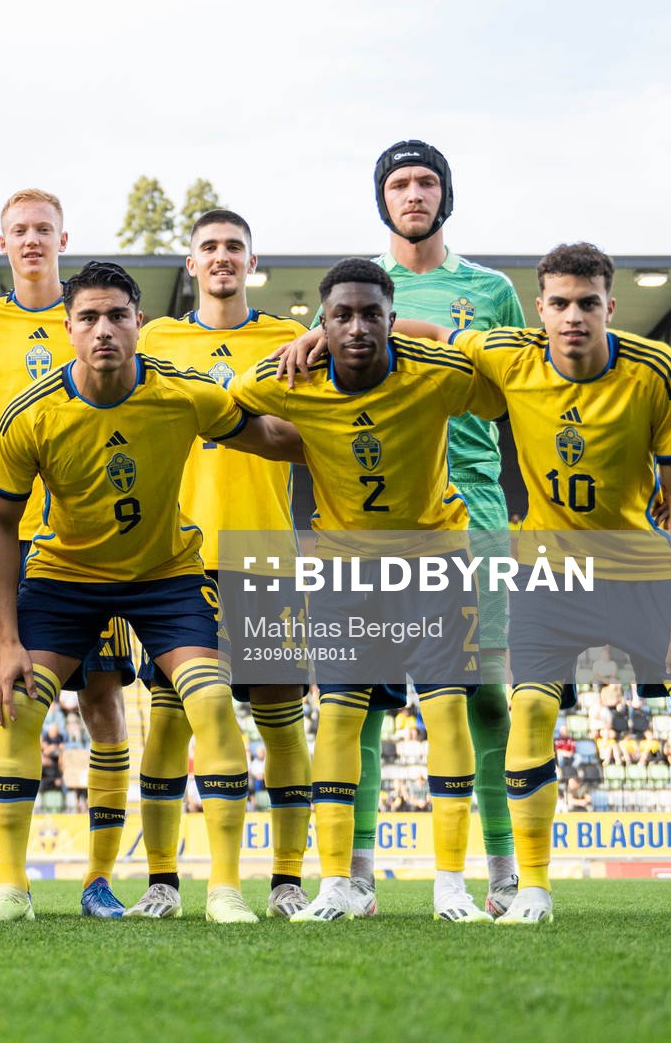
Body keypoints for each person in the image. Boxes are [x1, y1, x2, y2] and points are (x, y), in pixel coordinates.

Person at [403, 241, 671, 925]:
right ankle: (532, 891)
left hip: (640, 568)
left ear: (609, 308)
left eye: (587, 303)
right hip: (547, 572)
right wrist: (317, 333)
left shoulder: (658, 369)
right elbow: (428, 330)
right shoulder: (509, 353)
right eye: (560, 304)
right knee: (530, 712)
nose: (573, 317)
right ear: (540, 309)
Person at [0, 262, 303, 923]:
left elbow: (270, 439)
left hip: (165, 578)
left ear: (138, 324)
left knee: (210, 703)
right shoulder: (30, 414)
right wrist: (6, 641)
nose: (103, 330)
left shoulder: (183, 393)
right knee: (17, 708)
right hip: (65, 579)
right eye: (88, 317)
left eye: (117, 315)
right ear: (67, 329)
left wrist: (347, 435)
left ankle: (226, 891)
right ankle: (10, 889)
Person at [273, 139, 521, 917]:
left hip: (471, 506)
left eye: (427, 182)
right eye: (399, 183)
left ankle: (504, 869)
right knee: (361, 701)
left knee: (483, 695)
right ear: (381, 199)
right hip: (372, 521)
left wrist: (396, 325)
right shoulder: (342, 301)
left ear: (447, 195)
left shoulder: (489, 289)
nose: (413, 194)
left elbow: (518, 378)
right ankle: (358, 873)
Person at [234, 258, 499, 922]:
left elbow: (486, 378)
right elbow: (233, 404)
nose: (356, 327)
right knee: (343, 720)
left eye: (371, 314)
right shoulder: (293, 376)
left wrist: (414, 328)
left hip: (435, 562)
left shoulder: (432, 374)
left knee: (446, 716)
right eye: (340, 316)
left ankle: (451, 888)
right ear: (320, 323)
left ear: (390, 318)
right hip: (345, 571)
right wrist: (313, 445)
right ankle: (338, 886)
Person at [0, 189, 142, 918]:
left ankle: (98, 878)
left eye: (43, 229)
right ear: (0, 241)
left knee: (103, 704)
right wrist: (17, 449)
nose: (32, 240)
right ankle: (12, 883)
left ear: (64, 237)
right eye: (19, 231)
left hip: (92, 539)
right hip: (6, 532)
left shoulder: (100, 317)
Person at [134, 208, 313, 919]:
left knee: (280, 720)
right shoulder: (155, 339)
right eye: (208, 246)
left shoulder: (284, 341)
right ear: (190, 263)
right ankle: (162, 883)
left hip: (266, 554)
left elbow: (316, 432)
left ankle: (288, 881)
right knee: (169, 724)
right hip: (176, 558)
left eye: (233, 246)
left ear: (252, 260)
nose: (221, 257)